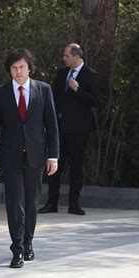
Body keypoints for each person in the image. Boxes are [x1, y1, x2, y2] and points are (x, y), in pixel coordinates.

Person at [0, 49, 59, 268]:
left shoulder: (43, 90)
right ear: (9, 70)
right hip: (10, 157)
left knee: (31, 203)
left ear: (29, 68)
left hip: (36, 156)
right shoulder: (0, 93)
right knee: (14, 203)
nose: (18, 71)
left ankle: (28, 243)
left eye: (22, 67)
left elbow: (52, 126)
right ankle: (16, 249)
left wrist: (53, 156)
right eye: (14, 68)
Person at [39, 43, 98, 216]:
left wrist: (77, 89)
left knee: (76, 166)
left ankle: (74, 204)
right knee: (54, 165)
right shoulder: (61, 73)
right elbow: (54, 98)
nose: (64, 58)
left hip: (79, 128)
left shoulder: (90, 75)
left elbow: (95, 101)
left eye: (67, 55)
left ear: (77, 56)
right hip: (59, 126)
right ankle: (52, 203)